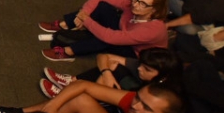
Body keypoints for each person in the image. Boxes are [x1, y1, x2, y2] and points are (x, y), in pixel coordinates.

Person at [38, 0, 169, 62]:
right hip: (122, 31)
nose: (135, 4)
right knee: (102, 6)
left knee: (106, 39)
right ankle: (64, 25)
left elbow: (110, 37)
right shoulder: (133, 4)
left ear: (154, 9)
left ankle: (69, 52)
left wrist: (86, 20)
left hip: (135, 53)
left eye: (143, 4)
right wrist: (83, 13)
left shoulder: (152, 29)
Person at [0, 81, 184, 113]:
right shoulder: (134, 102)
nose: (136, 105)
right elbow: (83, 86)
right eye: (138, 98)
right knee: (80, 99)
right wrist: (51, 107)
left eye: (146, 107)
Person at [40, 47, 182, 99]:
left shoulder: (160, 95)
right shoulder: (142, 67)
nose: (140, 69)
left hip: (123, 109)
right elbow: (104, 57)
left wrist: (106, 75)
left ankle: (68, 95)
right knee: (111, 66)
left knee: (115, 69)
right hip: (128, 91)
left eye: (147, 70)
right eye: (141, 65)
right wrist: (107, 72)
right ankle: (72, 82)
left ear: (163, 76)